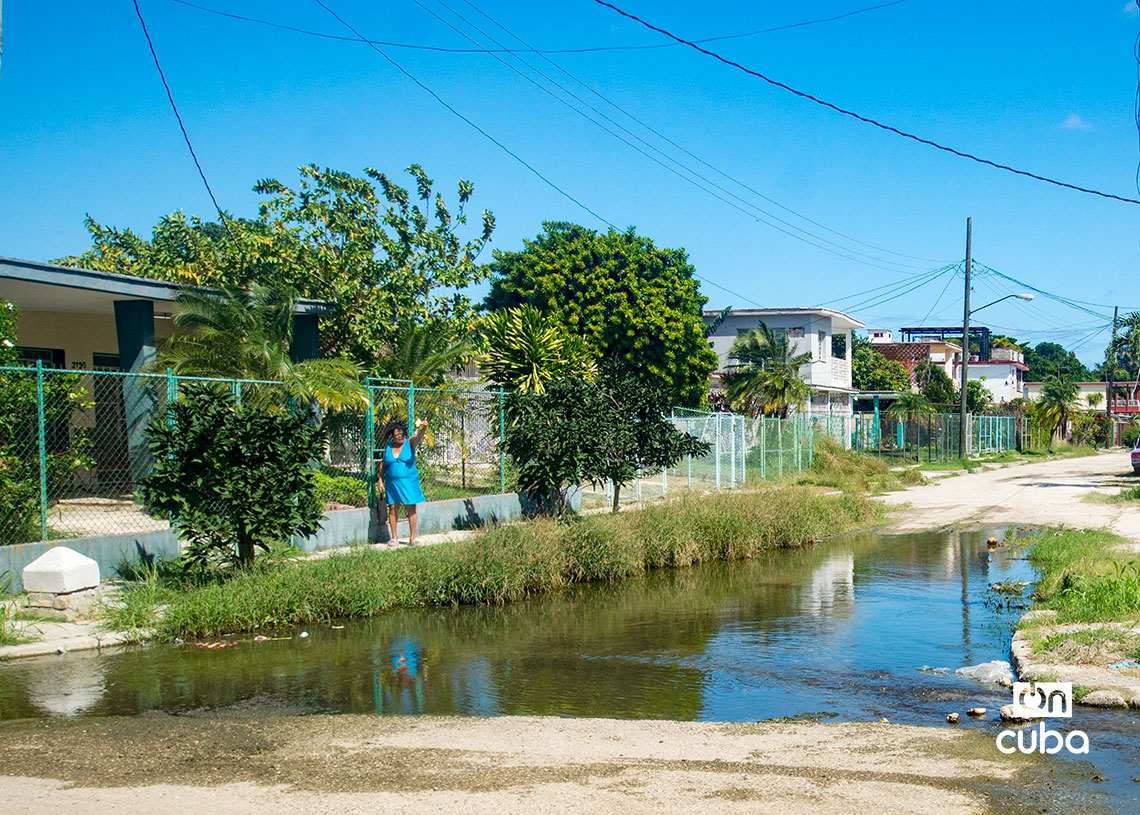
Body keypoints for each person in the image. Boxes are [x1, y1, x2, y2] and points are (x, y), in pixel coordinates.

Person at [379, 418, 428, 547]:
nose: (399, 437)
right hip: (392, 483)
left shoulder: (409, 443)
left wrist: (423, 427)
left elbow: (419, 436)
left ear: (404, 434)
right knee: (393, 508)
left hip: (409, 483)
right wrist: (380, 480)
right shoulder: (389, 447)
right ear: (393, 436)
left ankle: (412, 538)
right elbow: (383, 464)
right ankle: (394, 537)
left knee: (411, 508)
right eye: (396, 435)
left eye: (401, 435)